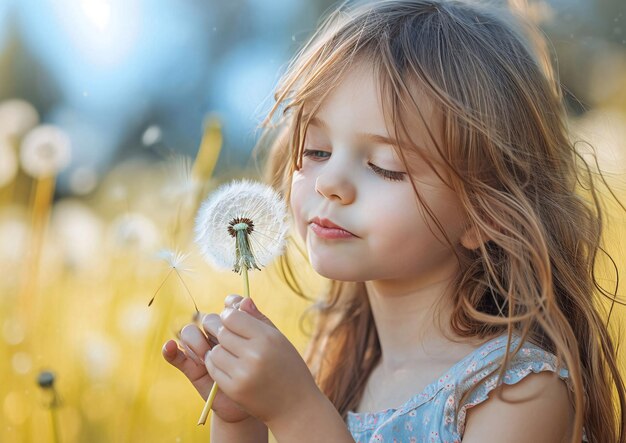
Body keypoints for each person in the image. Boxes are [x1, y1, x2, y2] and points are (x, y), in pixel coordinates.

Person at [162, 1, 626, 441]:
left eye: (385, 165)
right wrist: (241, 419)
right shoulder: (346, 371)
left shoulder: (518, 394)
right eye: (317, 151)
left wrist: (295, 411)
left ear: (485, 213)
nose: (329, 183)